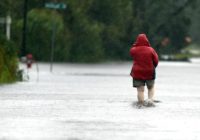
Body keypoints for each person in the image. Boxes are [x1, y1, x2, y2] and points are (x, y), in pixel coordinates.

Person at [130, 33, 159, 107]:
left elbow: (132, 53)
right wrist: (153, 67)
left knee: (140, 90)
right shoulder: (151, 50)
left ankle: (141, 103)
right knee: (151, 87)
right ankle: (150, 100)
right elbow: (156, 60)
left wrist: (135, 45)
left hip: (137, 72)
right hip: (149, 71)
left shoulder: (134, 50)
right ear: (147, 41)